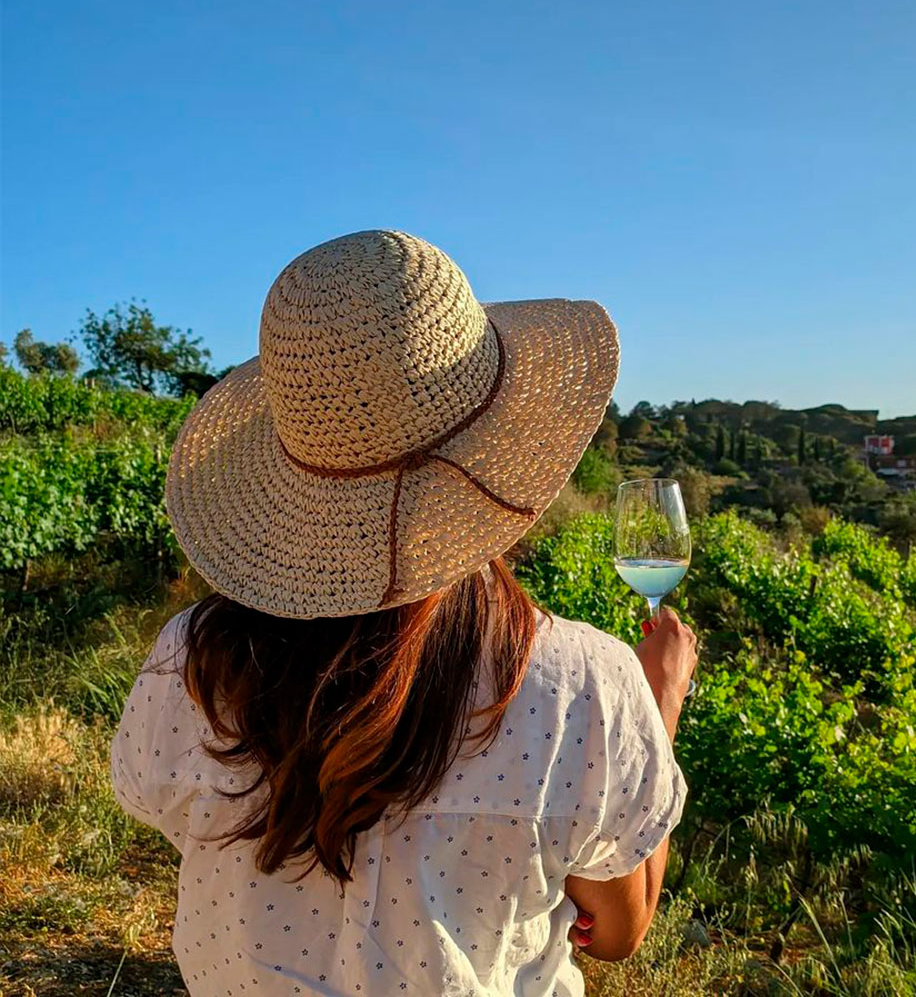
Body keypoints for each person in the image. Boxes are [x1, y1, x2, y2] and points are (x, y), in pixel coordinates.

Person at [110, 229, 696, 996]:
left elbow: (166, 810)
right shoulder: (585, 682)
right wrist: (660, 702)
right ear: (504, 443)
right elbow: (619, 932)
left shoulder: (192, 658)